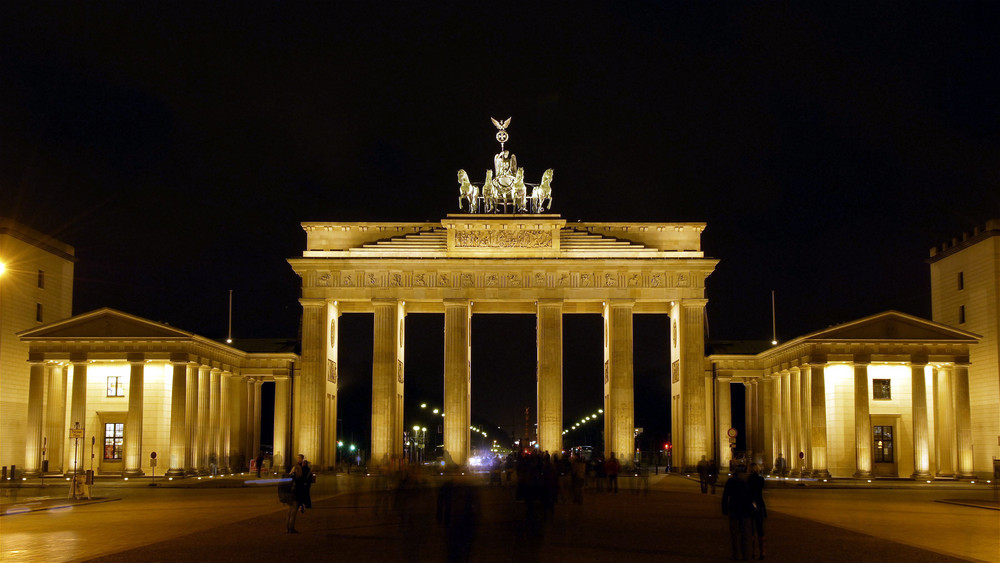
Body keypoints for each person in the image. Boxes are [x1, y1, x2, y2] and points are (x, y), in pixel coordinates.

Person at [722, 464, 754, 560]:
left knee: (735, 534)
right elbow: (753, 497)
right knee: (745, 534)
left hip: (734, 509)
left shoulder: (731, 481)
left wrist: (724, 509)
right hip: (745, 511)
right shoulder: (748, 482)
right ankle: (746, 555)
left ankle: (736, 555)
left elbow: (725, 496)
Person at [748, 463, 768, 559]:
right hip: (759, 504)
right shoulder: (761, 480)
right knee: (760, 529)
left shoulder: (748, 480)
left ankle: (752, 552)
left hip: (751, 505)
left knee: (751, 529)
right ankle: (762, 552)